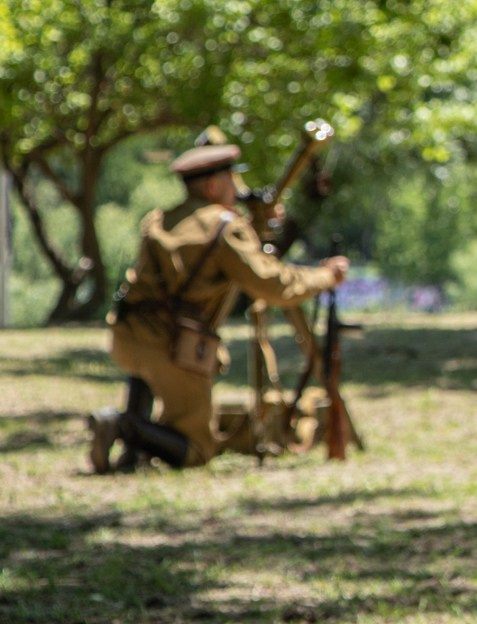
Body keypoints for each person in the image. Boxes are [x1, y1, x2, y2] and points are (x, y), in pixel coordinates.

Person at [85, 129, 348, 473]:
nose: (237, 188)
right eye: (231, 178)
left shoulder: (159, 220)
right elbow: (271, 284)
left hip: (126, 336)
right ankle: (122, 427)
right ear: (212, 186)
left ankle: (133, 450)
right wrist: (325, 276)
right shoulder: (224, 229)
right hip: (172, 346)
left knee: (149, 375)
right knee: (197, 449)